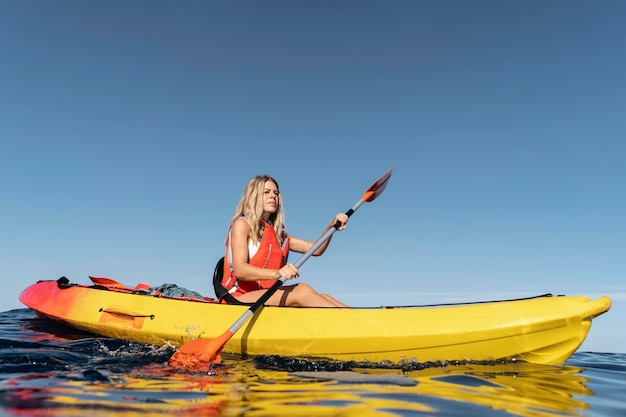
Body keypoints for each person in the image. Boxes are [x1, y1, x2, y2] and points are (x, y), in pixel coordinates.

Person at [215, 175, 348, 307]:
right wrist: (277, 273)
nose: (273, 196)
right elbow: (240, 270)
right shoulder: (242, 224)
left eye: (276, 193)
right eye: (266, 192)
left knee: (323, 297)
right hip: (238, 297)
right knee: (301, 291)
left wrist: (331, 227)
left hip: (265, 295)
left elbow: (316, 249)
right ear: (253, 196)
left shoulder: (280, 236)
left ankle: (363, 324)